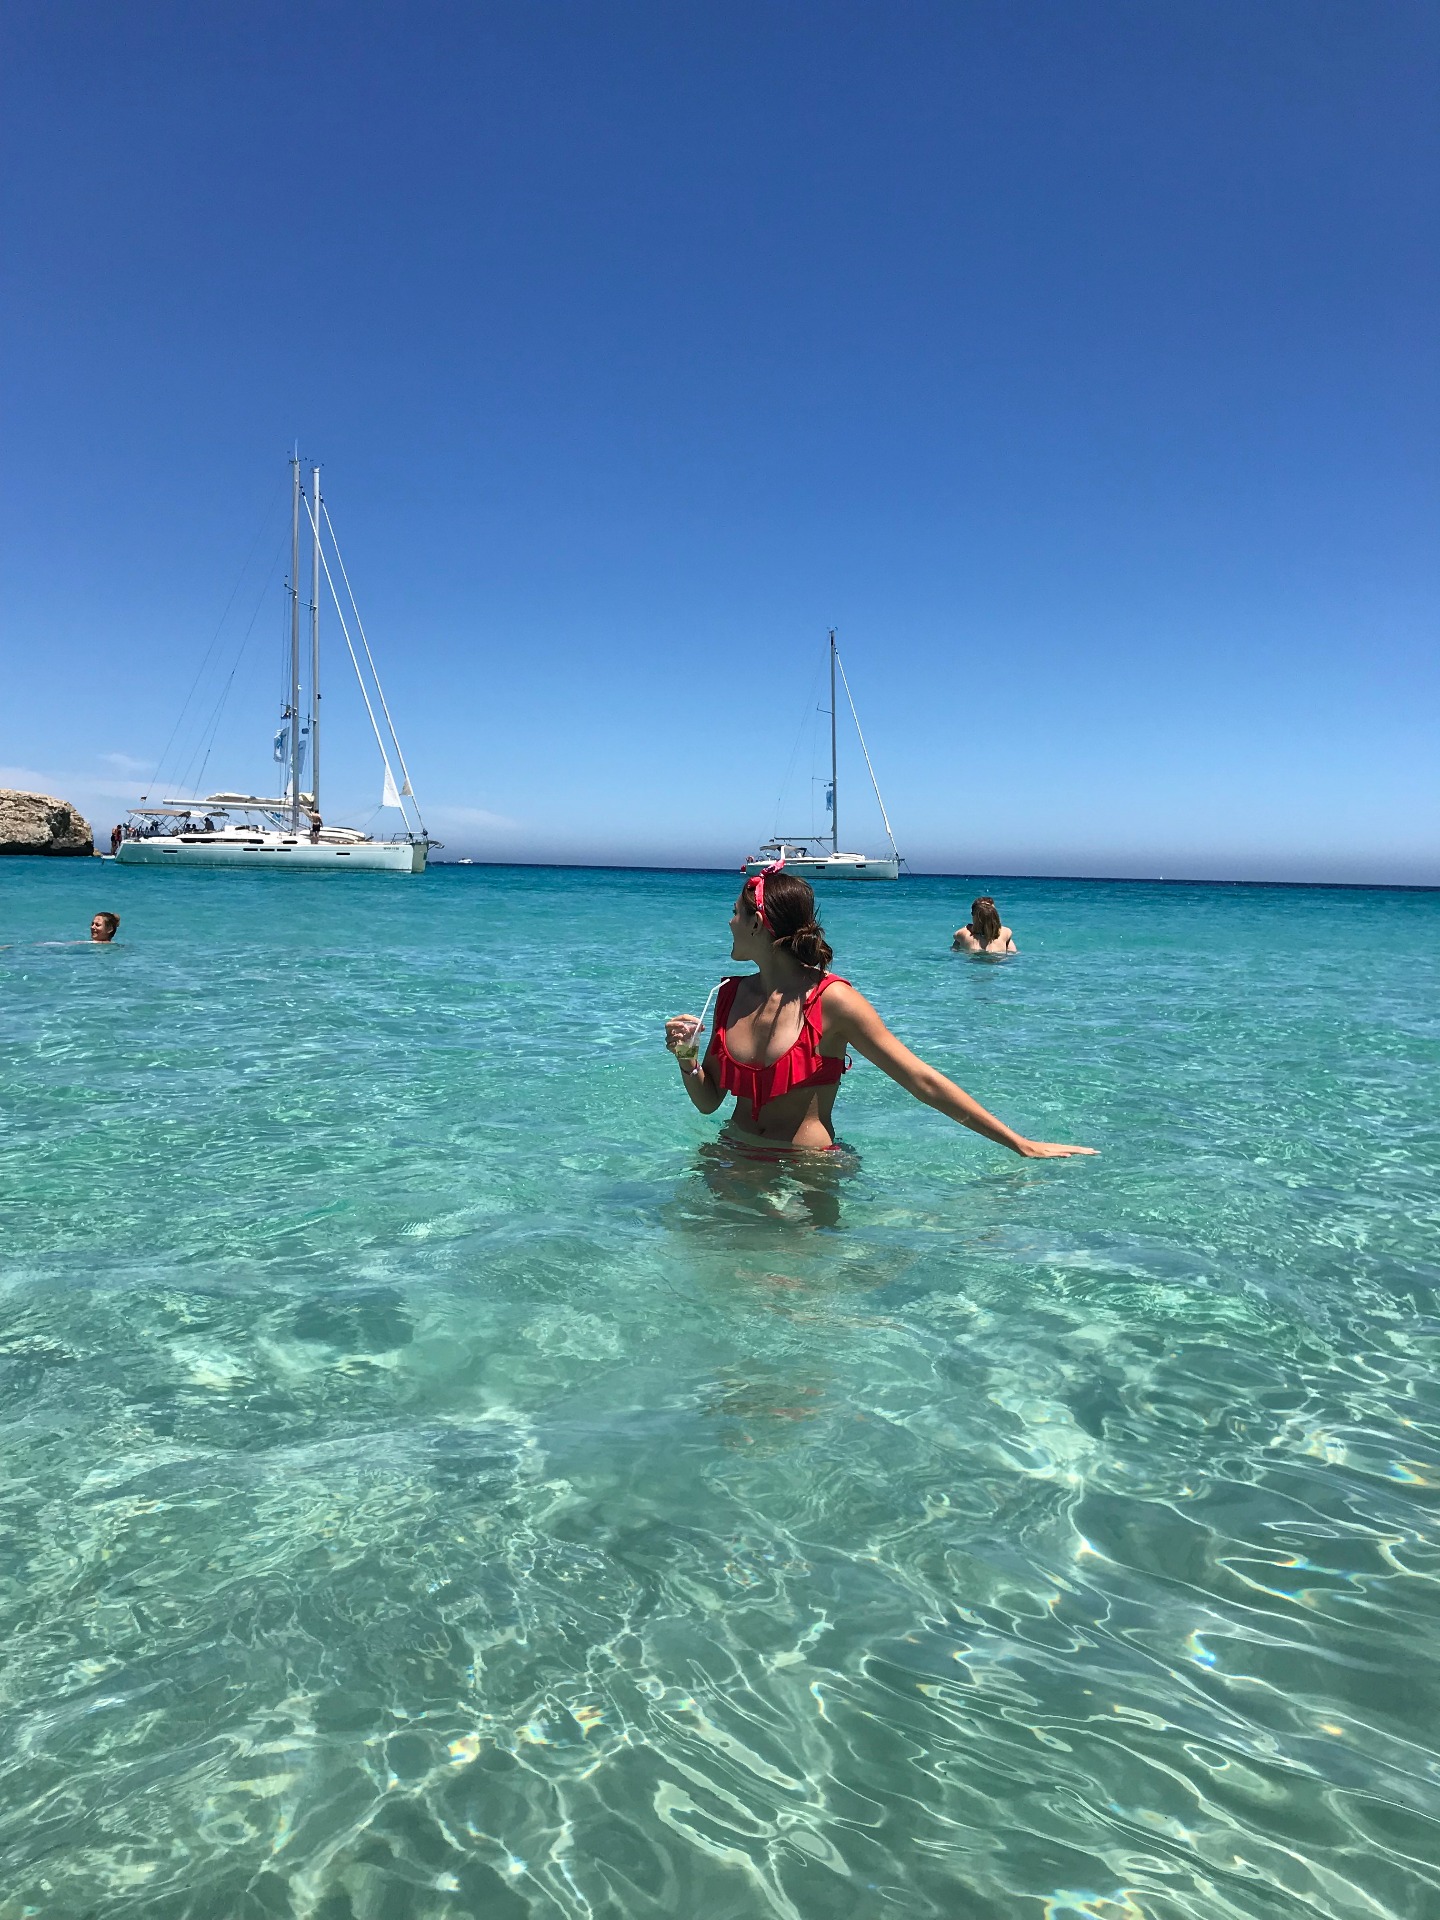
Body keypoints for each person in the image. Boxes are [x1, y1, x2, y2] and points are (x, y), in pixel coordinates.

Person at [665, 868, 1092, 1158]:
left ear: (758, 923)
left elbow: (921, 1080)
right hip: (732, 1157)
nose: (729, 922)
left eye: (735, 913)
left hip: (806, 1170)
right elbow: (709, 1102)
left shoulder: (833, 1001)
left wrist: (1020, 1144)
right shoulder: (729, 995)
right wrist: (686, 1057)